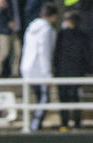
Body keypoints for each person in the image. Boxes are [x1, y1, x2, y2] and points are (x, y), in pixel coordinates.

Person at [20, 3, 59, 131]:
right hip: (39, 70)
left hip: (27, 67)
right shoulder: (46, 30)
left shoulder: (31, 28)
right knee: (44, 99)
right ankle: (34, 126)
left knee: (38, 98)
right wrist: (47, 74)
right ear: (53, 16)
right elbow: (44, 52)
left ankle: (34, 125)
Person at [54, 10, 93, 129]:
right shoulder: (83, 36)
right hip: (76, 72)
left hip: (63, 72)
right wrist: (87, 69)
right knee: (75, 98)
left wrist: (55, 70)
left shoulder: (61, 35)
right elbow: (87, 55)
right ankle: (77, 124)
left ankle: (64, 124)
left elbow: (56, 55)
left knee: (64, 98)